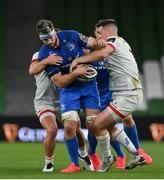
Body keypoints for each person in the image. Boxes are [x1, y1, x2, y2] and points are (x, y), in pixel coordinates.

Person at [35, 19, 114, 173]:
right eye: (45, 39)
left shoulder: (71, 35)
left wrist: (99, 43)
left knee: (93, 125)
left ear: (54, 32)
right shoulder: (45, 53)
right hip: (69, 90)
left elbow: (91, 42)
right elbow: (59, 82)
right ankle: (74, 164)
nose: (49, 42)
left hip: (89, 86)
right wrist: (76, 72)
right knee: (70, 126)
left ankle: (106, 157)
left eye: (50, 37)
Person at [70, 19, 148, 170]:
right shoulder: (120, 43)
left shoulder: (113, 41)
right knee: (109, 126)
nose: (97, 36)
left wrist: (79, 60)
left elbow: (102, 53)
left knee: (97, 124)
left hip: (128, 94)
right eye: (96, 33)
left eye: (99, 33)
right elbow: (98, 51)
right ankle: (136, 155)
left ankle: (107, 158)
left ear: (109, 33)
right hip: (122, 94)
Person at [29, 51, 62, 172]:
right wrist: (47, 61)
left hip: (63, 100)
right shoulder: (38, 55)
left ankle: (84, 156)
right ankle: (49, 163)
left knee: (76, 129)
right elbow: (32, 71)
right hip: (44, 101)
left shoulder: (66, 53)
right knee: (52, 129)